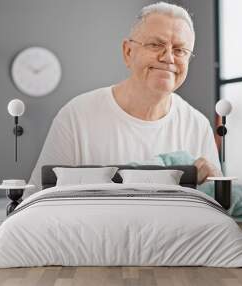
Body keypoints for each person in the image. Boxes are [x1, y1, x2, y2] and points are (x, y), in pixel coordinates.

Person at [29, 2, 222, 193]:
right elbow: (37, 198)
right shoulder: (76, 116)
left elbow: (216, 206)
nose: (169, 58)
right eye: (156, 45)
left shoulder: (197, 125)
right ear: (128, 52)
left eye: (180, 50)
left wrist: (215, 183)